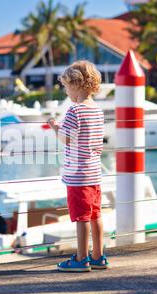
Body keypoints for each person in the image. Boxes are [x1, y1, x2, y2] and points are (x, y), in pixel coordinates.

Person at [48, 60, 109, 272]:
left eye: (66, 87)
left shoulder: (75, 111)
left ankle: (81, 259)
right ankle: (98, 256)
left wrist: (55, 127)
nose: (66, 92)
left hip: (78, 176)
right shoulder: (98, 111)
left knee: (81, 218)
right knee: (95, 215)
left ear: (76, 85)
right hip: (94, 173)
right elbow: (98, 143)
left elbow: (67, 138)